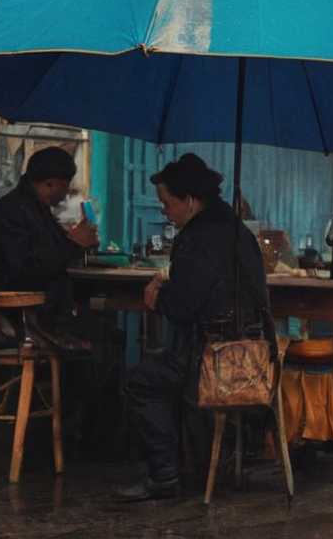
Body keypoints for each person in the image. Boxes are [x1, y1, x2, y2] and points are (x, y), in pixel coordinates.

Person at [117, 154, 269, 502]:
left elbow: (182, 309)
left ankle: (165, 476)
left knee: (140, 381)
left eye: (167, 204)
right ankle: (188, 465)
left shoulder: (197, 236)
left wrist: (157, 298)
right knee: (163, 365)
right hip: (254, 357)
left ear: (189, 200)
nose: (164, 213)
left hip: (215, 361)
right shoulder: (236, 229)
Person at [0, 147, 98, 349]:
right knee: (96, 339)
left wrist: (79, 241)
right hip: (8, 319)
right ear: (51, 183)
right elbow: (28, 269)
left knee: (100, 327)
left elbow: (54, 251)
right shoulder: (12, 212)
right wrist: (75, 244)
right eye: (65, 184)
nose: (67, 191)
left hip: (32, 311)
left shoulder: (35, 209)